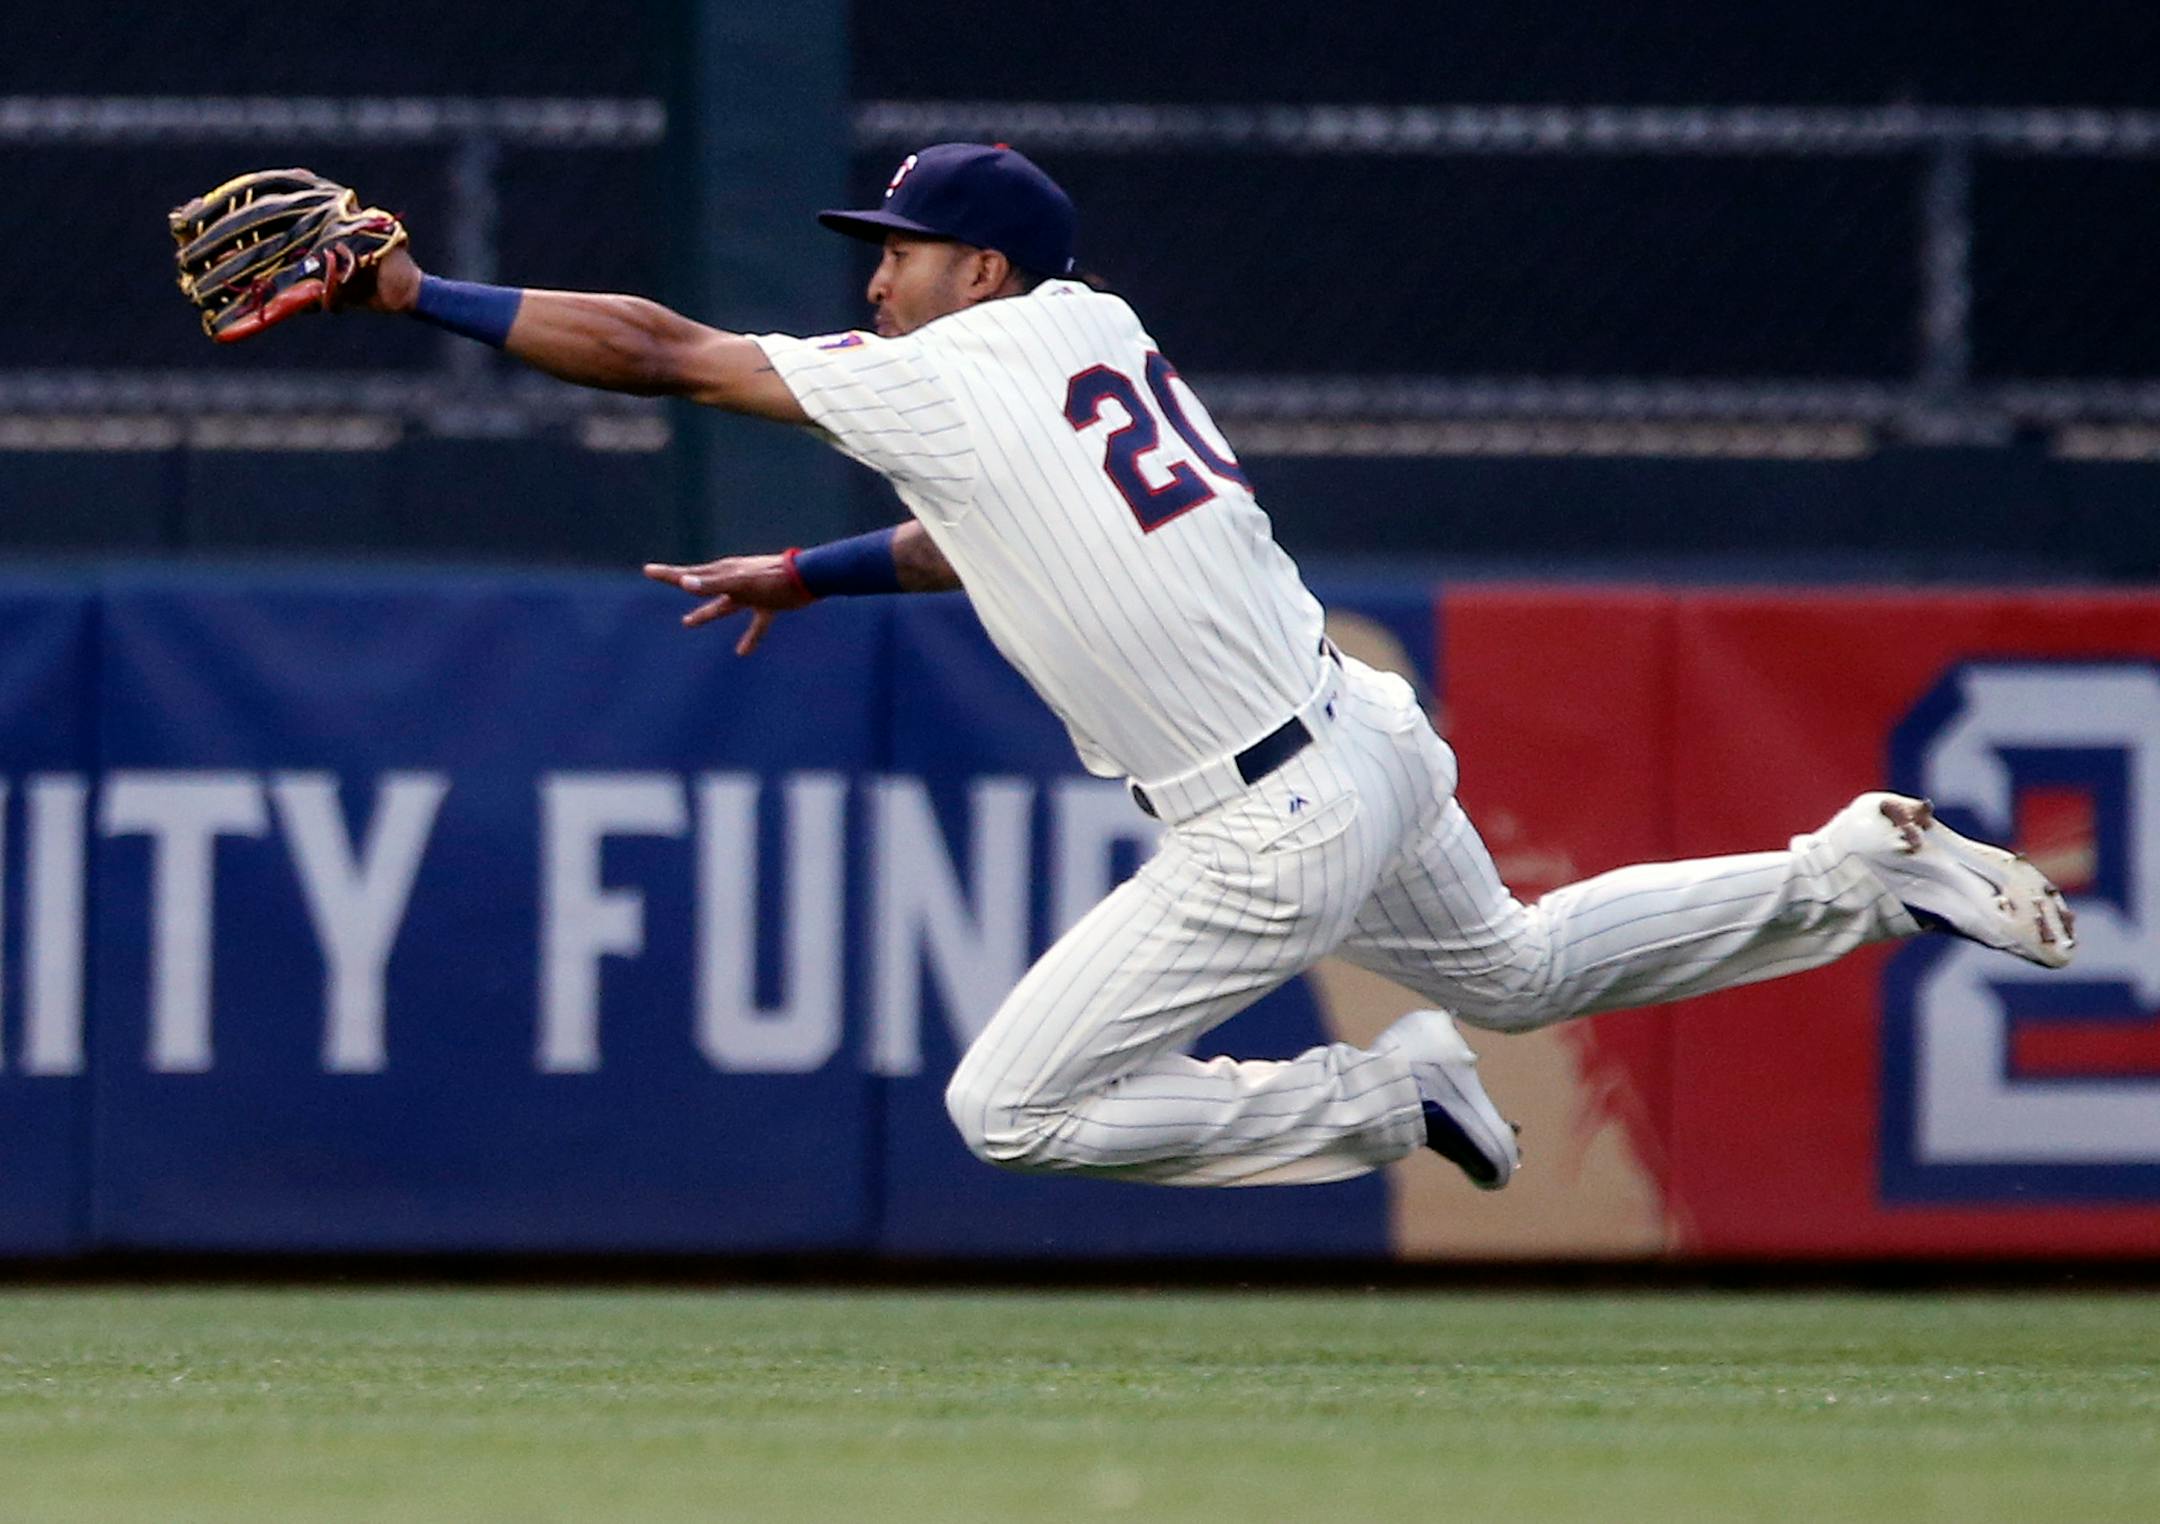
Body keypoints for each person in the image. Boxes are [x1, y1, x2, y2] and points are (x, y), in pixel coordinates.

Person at [355, 141, 2075, 1191]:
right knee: (1529, 975)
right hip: (1365, 737)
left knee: (1010, 1112)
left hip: (1269, 811)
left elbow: (659, 349)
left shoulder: (954, 369)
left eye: (893, 247)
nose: (872, 275)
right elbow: (987, 532)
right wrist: (812, 574)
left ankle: (1376, 1094)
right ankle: (1848, 870)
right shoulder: (1096, 334)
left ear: (984, 267)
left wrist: (420, 289)